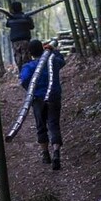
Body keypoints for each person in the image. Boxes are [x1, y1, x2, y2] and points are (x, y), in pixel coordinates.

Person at [20, 39, 65, 170]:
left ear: (31, 53)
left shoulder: (28, 67)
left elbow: (23, 81)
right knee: (54, 125)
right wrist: (53, 50)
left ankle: (45, 155)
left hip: (37, 99)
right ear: (42, 49)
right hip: (53, 97)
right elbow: (62, 60)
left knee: (41, 125)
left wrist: (31, 90)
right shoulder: (53, 62)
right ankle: (56, 152)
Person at [5, 2, 35, 71]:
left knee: (18, 59)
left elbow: (7, 25)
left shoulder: (11, 19)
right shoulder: (26, 17)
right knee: (26, 58)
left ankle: (22, 73)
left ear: (12, 9)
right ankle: (28, 74)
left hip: (15, 42)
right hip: (25, 40)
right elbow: (32, 26)